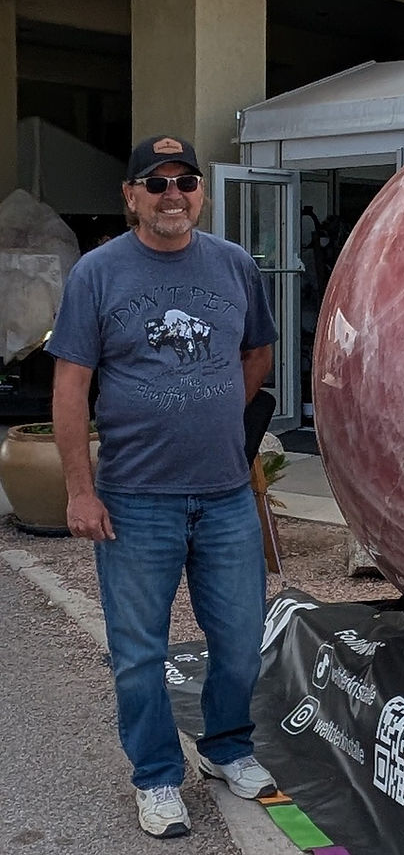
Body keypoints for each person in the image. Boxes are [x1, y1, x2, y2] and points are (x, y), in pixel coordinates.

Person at [46, 135, 279, 839]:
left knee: (239, 639)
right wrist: (80, 491)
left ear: (200, 192)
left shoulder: (235, 265)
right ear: (131, 197)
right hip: (135, 500)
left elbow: (258, 352)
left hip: (225, 496)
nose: (172, 195)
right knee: (139, 653)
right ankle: (155, 776)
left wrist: (216, 418)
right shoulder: (97, 273)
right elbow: (70, 386)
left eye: (185, 182)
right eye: (156, 183)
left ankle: (226, 748)